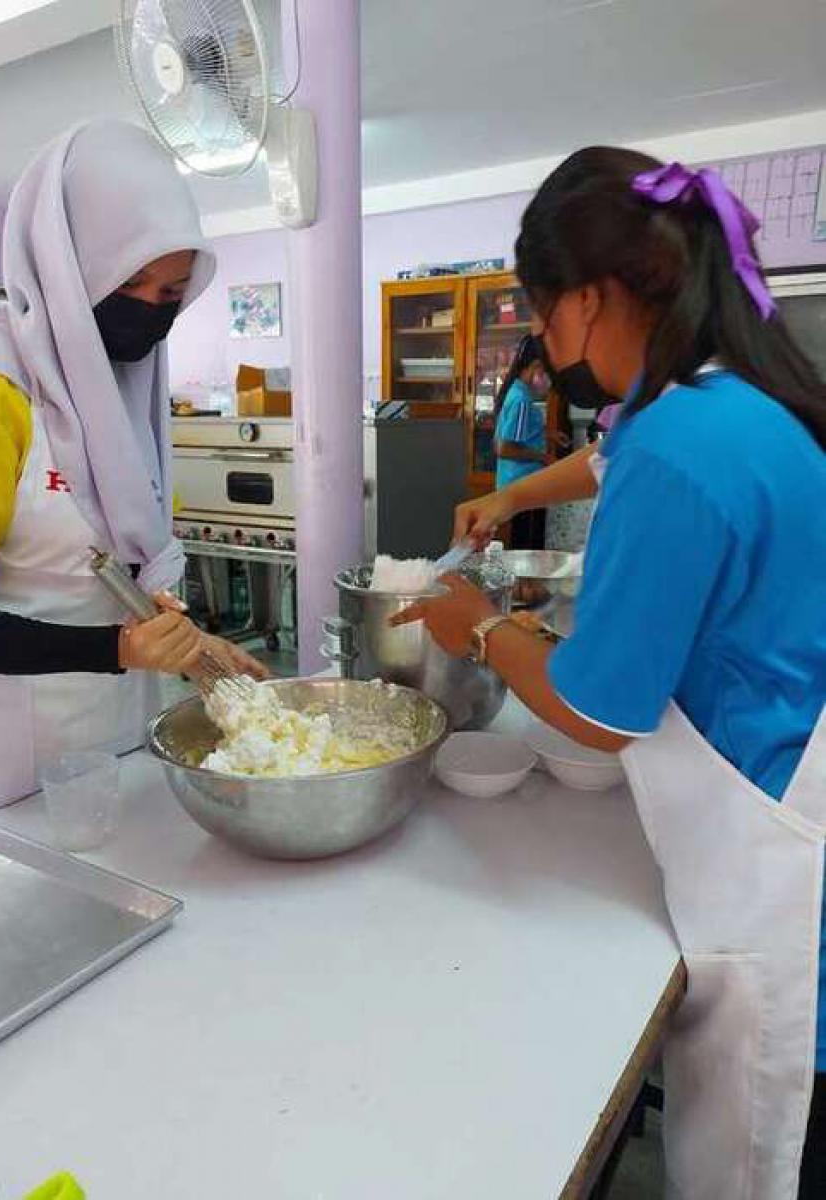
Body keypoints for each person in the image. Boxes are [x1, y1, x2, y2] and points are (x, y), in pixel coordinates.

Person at [395, 147, 826, 1199]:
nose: (546, 343)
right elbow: (604, 456)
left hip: (780, 859)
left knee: (765, 1148)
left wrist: (480, 626)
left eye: (542, 314)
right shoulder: (737, 399)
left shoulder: (678, 446)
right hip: (796, 777)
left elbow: (599, 711)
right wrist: (509, 497)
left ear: (587, 299)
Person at [0, 119, 266, 815]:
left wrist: (190, 648)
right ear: (61, 270)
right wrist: (121, 649)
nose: (148, 312)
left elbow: (107, 570)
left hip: (116, 746)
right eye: (127, 282)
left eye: (171, 294)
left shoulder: (123, 390)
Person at [493, 335, 549, 548]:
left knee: (521, 542)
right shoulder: (521, 400)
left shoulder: (515, 391)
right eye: (545, 371)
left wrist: (548, 434)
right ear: (535, 366)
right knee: (527, 545)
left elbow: (516, 433)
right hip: (524, 485)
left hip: (516, 485)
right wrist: (544, 457)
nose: (546, 378)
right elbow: (505, 448)